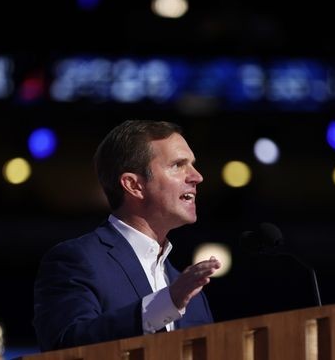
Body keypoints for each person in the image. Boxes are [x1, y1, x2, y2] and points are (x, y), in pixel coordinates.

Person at [33, 119, 221, 351]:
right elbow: (67, 346)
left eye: (192, 164)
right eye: (178, 165)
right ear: (134, 185)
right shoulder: (76, 260)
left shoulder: (189, 290)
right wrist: (164, 305)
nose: (197, 177)